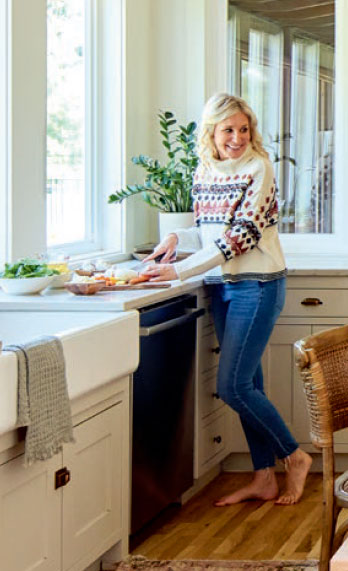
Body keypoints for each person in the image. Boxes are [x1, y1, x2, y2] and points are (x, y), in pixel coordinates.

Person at [142, 92, 312, 506]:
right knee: (249, 383)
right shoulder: (204, 171)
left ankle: (294, 456)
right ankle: (263, 478)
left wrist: (179, 270)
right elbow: (208, 230)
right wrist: (175, 238)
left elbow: (241, 235)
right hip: (221, 285)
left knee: (232, 386)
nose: (237, 137)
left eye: (243, 129)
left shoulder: (259, 168)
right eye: (228, 130)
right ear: (212, 134)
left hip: (258, 283)